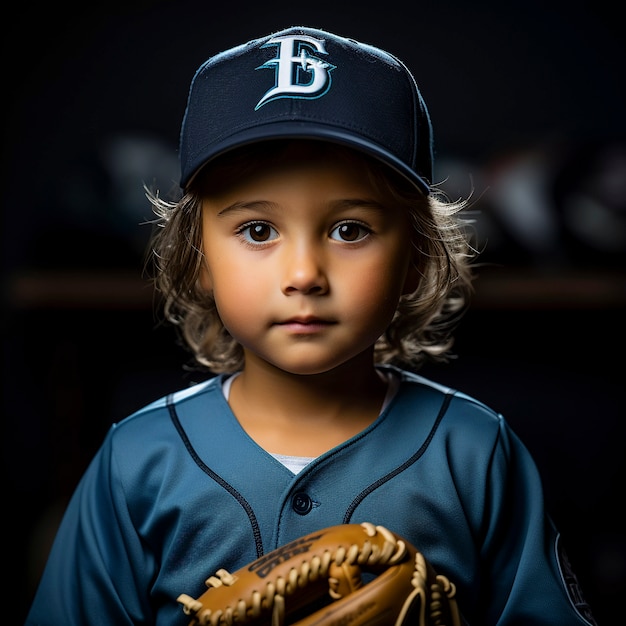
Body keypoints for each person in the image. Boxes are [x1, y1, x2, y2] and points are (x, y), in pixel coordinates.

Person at [25, 26, 598, 625]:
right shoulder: (136, 463)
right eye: (257, 230)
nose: (304, 274)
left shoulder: (475, 453)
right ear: (196, 259)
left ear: (418, 258)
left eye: (350, 230)